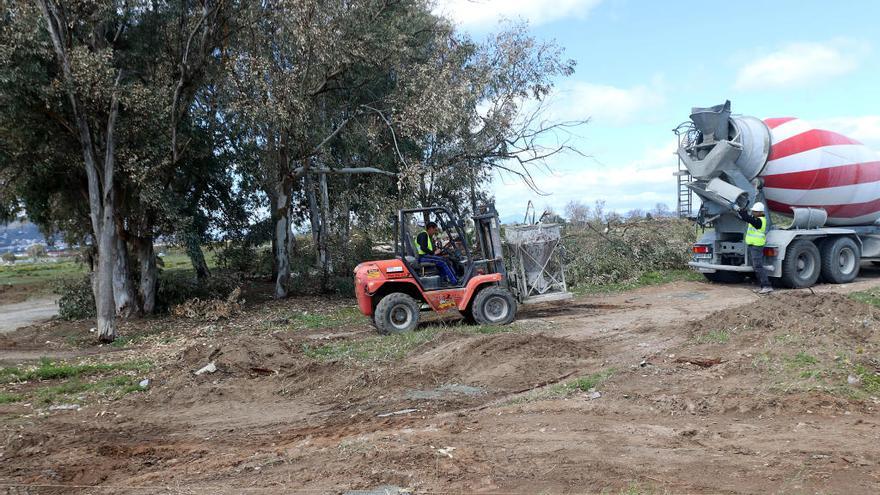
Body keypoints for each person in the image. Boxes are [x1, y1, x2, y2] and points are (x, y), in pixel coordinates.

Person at [738, 202, 773, 294]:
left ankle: (767, 286)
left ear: (760, 212)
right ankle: (762, 286)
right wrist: (744, 213)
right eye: (753, 211)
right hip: (752, 245)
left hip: (757, 246)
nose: (753, 213)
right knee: (756, 266)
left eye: (755, 211)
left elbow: (748, 219)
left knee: (758, 266)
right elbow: (747, 218)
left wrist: (743, 213)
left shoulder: (760, 221)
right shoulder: (756, 218)